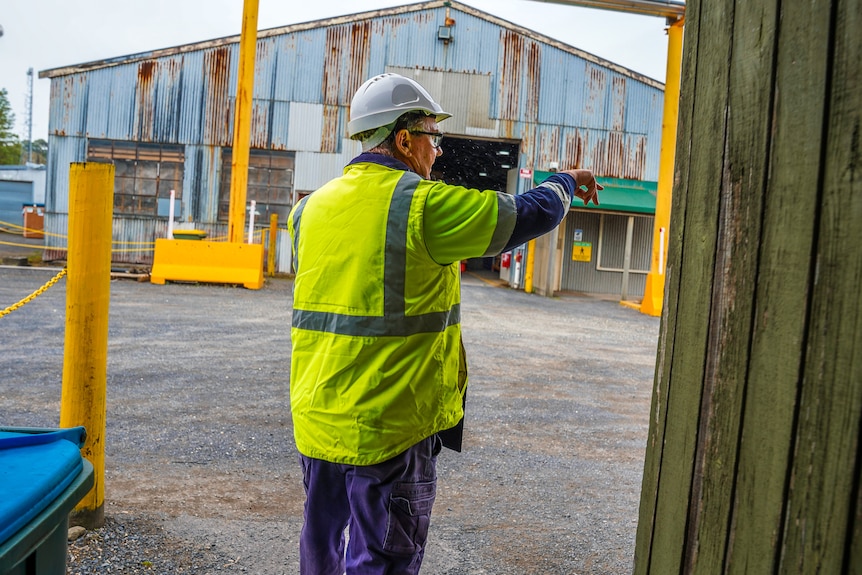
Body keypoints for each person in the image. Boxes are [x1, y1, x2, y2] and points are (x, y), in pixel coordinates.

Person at [287, 72, 601, 574]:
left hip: (317, 423)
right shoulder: (420, 205)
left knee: (320, 550)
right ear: (405, 139)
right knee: (382, 561)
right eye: (434, 138)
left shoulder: (308, 212)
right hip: (388, 427)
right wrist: (567, 178)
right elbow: (528, 214)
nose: (438, 152)